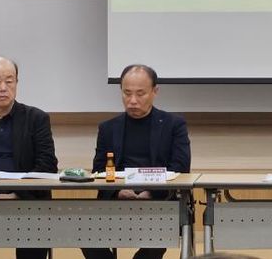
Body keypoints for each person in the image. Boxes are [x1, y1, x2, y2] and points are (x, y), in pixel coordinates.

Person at [82, 64, 191, 259]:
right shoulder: (108, 128)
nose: (132, 100)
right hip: (116, 201)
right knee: (82, 230)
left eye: (140, 94)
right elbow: (99, 169)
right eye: (127, 93)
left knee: (157, 237)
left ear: (155, 91)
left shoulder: (173, 125)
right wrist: (118, 191)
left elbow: (180, 168)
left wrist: (151, 192)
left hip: (160, 202)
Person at [0, 56, 58, 259]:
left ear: (17, 83)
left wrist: (17, 194)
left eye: (9, 81)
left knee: (35, 224)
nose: (3, 88)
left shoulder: (36, 119)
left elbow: (47, 165)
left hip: (25, 202)